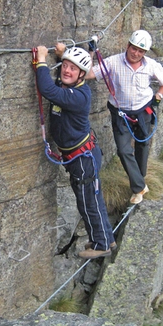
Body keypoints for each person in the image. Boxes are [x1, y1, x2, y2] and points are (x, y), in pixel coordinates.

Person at [34, 44, 115, 259]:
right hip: (82, 155)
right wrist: (64, 55)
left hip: (82, 158)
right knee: (94, 198)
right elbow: (61, 82)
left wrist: (41, 59)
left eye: (73, 69)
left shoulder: (78, 96)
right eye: (65, 66)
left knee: (87, 200)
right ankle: (107, 237)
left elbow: (48, 90)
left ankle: (101, 244)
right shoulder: (71, 86)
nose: (66, 71)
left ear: (82, 75)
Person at [87, 30, 163, 205]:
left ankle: (139, 182)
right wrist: (91, 52)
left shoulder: (151, 65)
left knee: (143, 145)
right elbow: (88, 74)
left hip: (143, 110)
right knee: (123, 150)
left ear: (145, 53)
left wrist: (159, 96)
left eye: (141, 51)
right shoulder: (113, 62)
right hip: (120, 112)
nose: (136, 53)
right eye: (134, 49)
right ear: (128, 46)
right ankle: (140, 186)